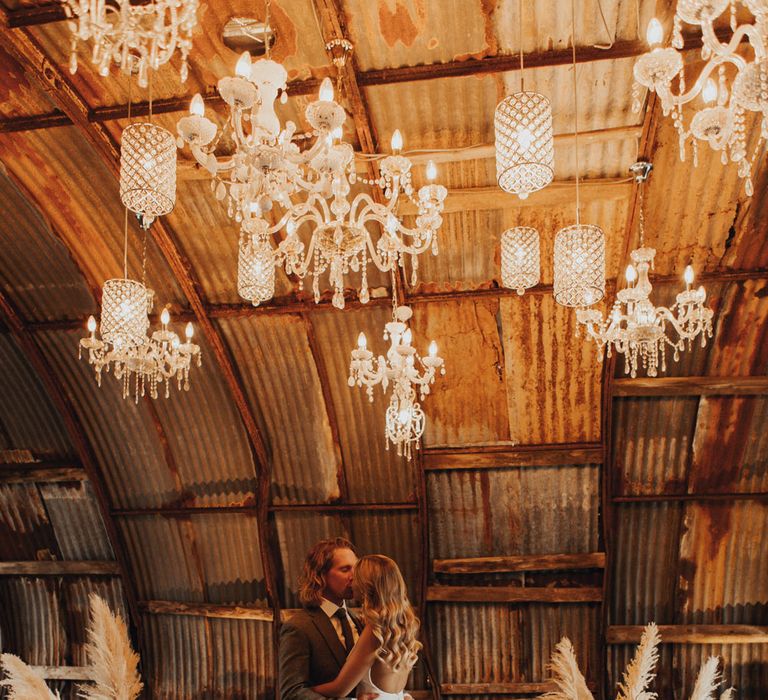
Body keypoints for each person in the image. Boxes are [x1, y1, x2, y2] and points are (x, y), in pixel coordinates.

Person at [311, 555, 421, 700]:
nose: (351, 581)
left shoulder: (375, 630)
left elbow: (339, 689)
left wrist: (306, 689)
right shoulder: (403, 624)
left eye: (355, 577)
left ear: (367, 585)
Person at [279, 538, 362, 699]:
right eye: (345, 569)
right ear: (320, 575)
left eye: (356, 569)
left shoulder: (358, 620)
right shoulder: (299, 627)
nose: (355, 576)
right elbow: (292, 693)